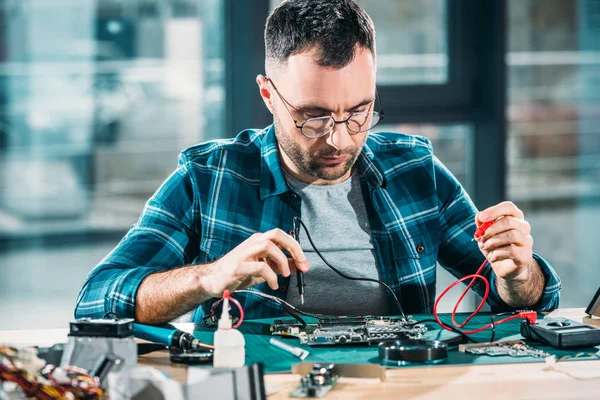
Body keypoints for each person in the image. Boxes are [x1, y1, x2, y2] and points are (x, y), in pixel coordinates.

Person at [75, 0, 560, 325]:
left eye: (359, 112)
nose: (340, 138)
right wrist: (209, 276)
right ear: (268, 94)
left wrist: (518, 276)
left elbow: (524, 301)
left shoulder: (416, 170)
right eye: (314, 116)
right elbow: (96, 301)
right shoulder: (209, 178)